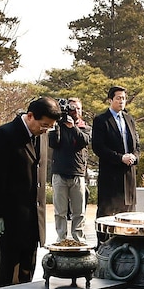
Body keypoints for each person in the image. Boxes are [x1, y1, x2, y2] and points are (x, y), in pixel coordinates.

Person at [0, 97, 61, 286]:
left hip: (33, 219)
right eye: (44, 125)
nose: (46, 130)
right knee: (10, 274)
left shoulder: (42, 136)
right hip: (10, 218)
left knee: (28, 272)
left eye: (50, 126)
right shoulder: (4, 135)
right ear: (30, 116)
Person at [92, 85, 139, 238]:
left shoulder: (129, 119)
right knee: (107, 213)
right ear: (110, 99)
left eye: (124, 98)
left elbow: (136, 145)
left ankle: (127, 246)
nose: (121, 101)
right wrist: (120, 158)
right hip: (111, 174)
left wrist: (134, 156)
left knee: (128, 214)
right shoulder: (101, 120)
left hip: (129, 174)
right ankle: (103, 248)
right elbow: (98, 147)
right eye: (118, 98)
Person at [48, 96, 91, 243]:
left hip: (78, 173)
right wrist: (57, 125)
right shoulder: (58, 125)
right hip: (60, 173)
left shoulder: (85, 127)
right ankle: (61, 238)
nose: (75, 111)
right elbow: (54, 143)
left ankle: (78, 238)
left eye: (78, 108)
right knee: (60, 211)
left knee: (79, 211)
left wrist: (74, 128)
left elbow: (84, 141)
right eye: (72, 108)